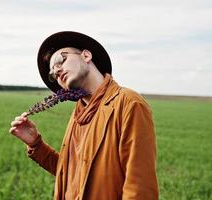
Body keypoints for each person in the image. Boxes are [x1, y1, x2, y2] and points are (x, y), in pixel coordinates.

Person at [9, 31, 159, 200]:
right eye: (53, 75)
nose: (57, 71)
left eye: (61, 60)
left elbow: (140, 187)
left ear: (86, 55)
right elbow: (71, 173)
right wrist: (36, 144)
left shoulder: (128, 104)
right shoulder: (78, 115)